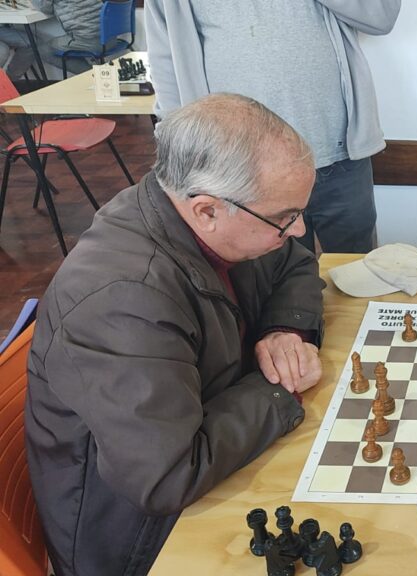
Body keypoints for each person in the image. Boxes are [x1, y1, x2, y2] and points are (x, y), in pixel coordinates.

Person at [25, 93, 326, 576]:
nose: (298, 228)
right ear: (207, 210)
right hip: (142, 543)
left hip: (212, 445)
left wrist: (284, 329)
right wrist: (277, 386)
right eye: (286, 217)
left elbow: (296, 260)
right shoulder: (122, 300)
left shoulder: (210, 215)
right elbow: (167, 477)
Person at [146, 0, 401, 254]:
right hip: (243, 167)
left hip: (340, 153)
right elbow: (165, 58)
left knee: (359, 269)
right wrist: (178, 144)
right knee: (270, 277)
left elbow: (381, 16)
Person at [32, 0, 103, 76]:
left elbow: (45, 8)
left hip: (90, 42)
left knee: (44, 50)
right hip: (109, 40)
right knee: (69, 45)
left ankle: (94, 75)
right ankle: (97, 75)